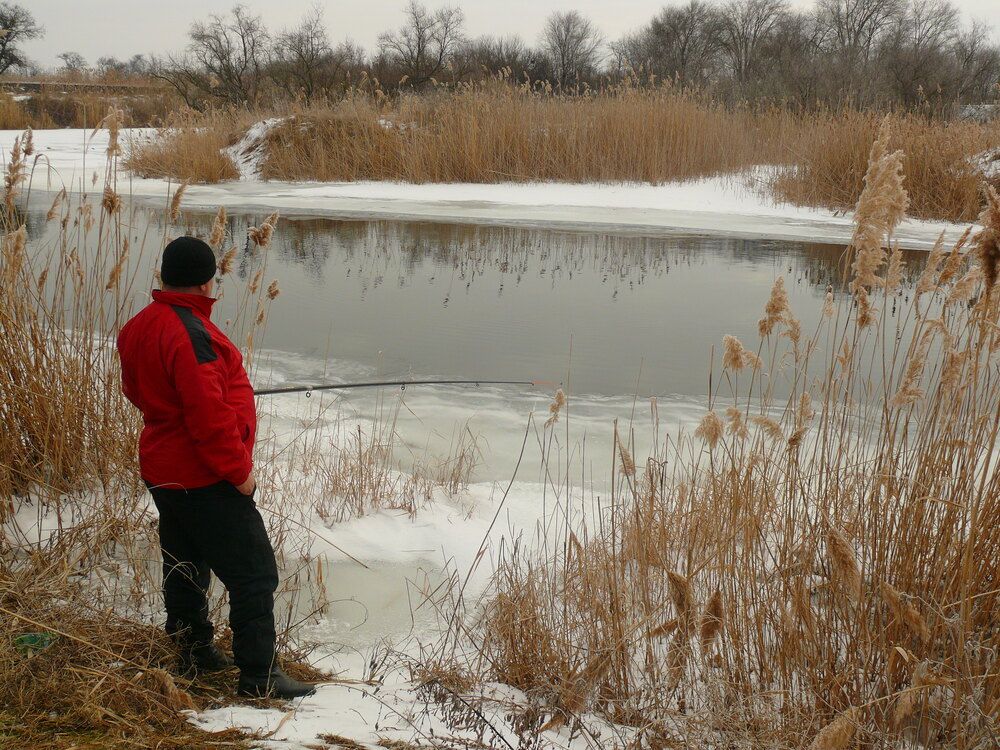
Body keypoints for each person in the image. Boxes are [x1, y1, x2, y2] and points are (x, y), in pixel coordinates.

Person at [117, 236, 314, 699]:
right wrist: (239, 473)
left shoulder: (139, 325)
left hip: (164, 468)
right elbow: (208, 418)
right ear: (208, 283)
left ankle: (194, 653)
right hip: (202, 475)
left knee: (185, 562)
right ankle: (260, 677)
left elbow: (136, 389)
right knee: (255, 572)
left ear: (165, 276)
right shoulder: (193, 335)